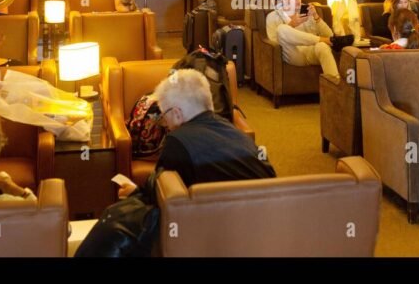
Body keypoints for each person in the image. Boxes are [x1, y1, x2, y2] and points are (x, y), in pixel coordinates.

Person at [75, 69, 275, 256]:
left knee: (117, 217)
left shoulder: (178, 141)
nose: (165, 124)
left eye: (164, 116)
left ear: (177, 113)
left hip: (216, 231)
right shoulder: (234, 132)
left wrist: (135, 192)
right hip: (266, 225)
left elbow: (163, 190)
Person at [265, 0, 348, 79]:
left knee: (322, 46)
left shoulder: (307, 11)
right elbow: (274, 43)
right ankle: (326, 41)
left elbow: (329, 35)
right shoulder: (272, 17)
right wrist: (291, 25)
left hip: (311, 50)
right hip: (293, 54)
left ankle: (334, 84)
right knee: (281, 29)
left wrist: (316, 17)